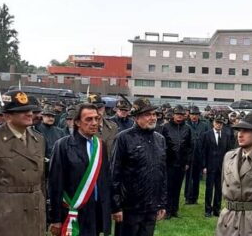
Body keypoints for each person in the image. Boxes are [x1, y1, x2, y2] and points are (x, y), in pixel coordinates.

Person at [48, 103, 111, 236]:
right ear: (77, 122)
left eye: (96, 118)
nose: (94, 123)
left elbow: (105, 179)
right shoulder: (63, 146)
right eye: (88, 119)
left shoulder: (101, 145)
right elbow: (55, 184)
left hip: (96, 210)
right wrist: (55, 218)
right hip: (73, 210)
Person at [111, 97, 167, 236]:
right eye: (147, 114)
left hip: (151, 207)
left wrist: (161, 203)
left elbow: (162, 173)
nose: (152, 118)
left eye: (154, 114)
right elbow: (114, 174)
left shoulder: (160, 140)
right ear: (136, 117)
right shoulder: (123, 138)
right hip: (129, 208)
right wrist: (116, 206)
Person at [0, 90, 46, 235]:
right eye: (22, 111)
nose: (30, 113)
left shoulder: (38, 140)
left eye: (30, 109)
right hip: (6, 215)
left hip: (35, 212)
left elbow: (41, 181)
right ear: (7, 116)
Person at [161, 105, 192, 219]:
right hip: (169, 162)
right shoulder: (166, 127)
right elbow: (161, 145)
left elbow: (189, 146)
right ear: (173, 115)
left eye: (181, 115)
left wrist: (187, 162)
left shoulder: (187, 128)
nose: (179, 117)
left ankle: (175, 210)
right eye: (177, 114)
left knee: (178, 187)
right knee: (168, 187)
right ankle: (167, 210)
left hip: (182, 163)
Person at [201, 113, 233, 217]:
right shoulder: (207, 135)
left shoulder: (226, 135)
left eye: (221, 123)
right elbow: (203, 151)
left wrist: (228, 165)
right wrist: (204, 166)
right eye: (217, 122)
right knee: (209, 189)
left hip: (221, 166)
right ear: (213, 123)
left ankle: (216, 209)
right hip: (210, 166)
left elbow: (228, 152)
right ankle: (207, 210)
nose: (219, 125)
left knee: (219, 189)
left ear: (223, 125)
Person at [184, 105, 209, 205]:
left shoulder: (204, 125)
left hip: (200, 155)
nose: (194, 116)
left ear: (199, 115)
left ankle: (195, 198)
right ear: (189, 115)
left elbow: (207, 140)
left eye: (196, 114)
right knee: (188, 178)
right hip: (189, 155)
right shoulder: (186, 125)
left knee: (197, 178)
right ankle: (187, 197)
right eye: (192, 114)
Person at [88, 94, 119, 158]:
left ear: (104, 108)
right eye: (93, 109)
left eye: (99, 108)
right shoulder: (83, 128)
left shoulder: (113, 127)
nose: (97, 112)